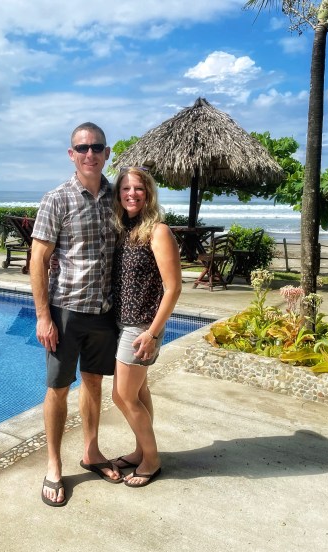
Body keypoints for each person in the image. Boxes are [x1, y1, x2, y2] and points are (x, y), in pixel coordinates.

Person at [30, 122, 123, 507]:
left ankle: (91, 451)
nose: (90, 154)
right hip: (66, 310)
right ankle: (54, 464)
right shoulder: (57, 199)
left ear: (106, 153)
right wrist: (43, 316)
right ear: (72, 154)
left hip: (104, 310)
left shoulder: (118, 197)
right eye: (82, 148)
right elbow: (38, 260)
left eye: (96, 147)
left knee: (94, 382)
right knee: (57, 388)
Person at [109, 166, 181, 488]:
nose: (131, 194)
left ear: (148, 193)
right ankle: (141, 451)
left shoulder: (158, 231)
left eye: (138, 188)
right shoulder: (124, 229)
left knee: (122, 395)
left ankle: (151, 459)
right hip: (123, 321)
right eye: (125, 188)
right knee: (138, 391)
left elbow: (173, 288)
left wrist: (152, 333)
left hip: (141, 325)